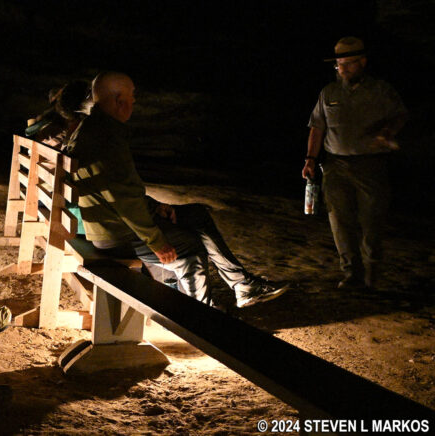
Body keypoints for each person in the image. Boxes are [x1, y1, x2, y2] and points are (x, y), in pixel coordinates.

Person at [64, 71, 289, 308]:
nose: (135, 102)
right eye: (132, 96)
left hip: (108, 223)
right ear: (119, 101)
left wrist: (155, 207)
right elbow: (124, 199)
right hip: (115, 234)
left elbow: (118, 190)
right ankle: (198, 316)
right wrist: (156, 241)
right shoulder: (106, 138)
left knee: (196, 215)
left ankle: (242, 285)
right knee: (190, 248)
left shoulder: (94, 129)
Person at [303, 37, 407, 290]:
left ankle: (372, 274)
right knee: (339, 222)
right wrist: (310, 159)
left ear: (362, 63)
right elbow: (317, 127)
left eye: (349, 63)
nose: (343, 69)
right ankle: (351, 274)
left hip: (371, 166)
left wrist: (388, 131)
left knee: (372, 222)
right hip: (336, 166)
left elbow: (399, 115)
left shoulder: (380, 90)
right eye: (340, 64)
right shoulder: (329, 92)